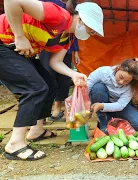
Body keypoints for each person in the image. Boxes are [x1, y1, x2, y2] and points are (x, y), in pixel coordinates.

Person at [0, 0, 104, 160]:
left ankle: (36, 130)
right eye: (92, 29)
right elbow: (12, 1)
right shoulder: (59, 16)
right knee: (35, 88)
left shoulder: (68, 38)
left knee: (50, 84)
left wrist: (74, 75)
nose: (92, 34)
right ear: (82, 19)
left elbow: (55, 62)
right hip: (4, 43)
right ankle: (15, 143)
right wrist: (19, 36)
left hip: (16, 50)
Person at [39, 0, 81, 121]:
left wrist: (75, 50)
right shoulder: (49, 4)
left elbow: (74, 30)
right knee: (47, 78)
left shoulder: (73, 7)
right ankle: (40, 118)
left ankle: (57, 110)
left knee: (64, 80)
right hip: (47, 46)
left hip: (64, 49)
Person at [88, 58, 138, 134]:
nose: (121, 82)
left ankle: (111, 118)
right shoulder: (103, 72)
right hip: (102, 99)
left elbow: (120, 105)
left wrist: (102, 106)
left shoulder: (132, 86)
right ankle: (103, 120)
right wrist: (84, 103)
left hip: (117, 106)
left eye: (126, 81)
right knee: (98, 87)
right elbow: (87, 85)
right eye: (121, 77)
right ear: (118, 68)